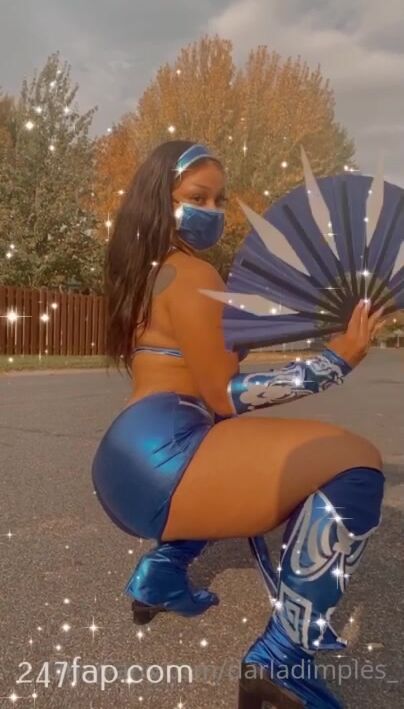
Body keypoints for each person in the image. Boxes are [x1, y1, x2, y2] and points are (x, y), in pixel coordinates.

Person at [91, 141, 385, 708]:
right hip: (166, 458)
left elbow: (203, 370)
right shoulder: (193, 273)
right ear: (160, 199)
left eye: (219, 199)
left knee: (231, 461)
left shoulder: (149, 272)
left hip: (130, 452)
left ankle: (160, 576)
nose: (213, 211)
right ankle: (282, 657)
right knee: (356, 462)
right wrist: (335, 360)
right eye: (197, 197)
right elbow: (224, 396)